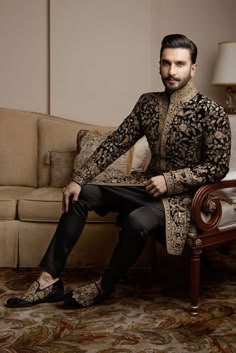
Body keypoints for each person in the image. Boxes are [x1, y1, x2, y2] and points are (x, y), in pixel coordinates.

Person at [6, 34, 231, 309]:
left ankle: (105, 286)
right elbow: (116, 142)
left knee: (137, 220)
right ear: (159, 64)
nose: (172, 72)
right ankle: (48, 280)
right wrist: (78, 178)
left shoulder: (211, 111)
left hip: (184, 199)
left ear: (193, 67)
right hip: (146, 187)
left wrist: (171, 181)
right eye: (166, 63)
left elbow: (217, 166)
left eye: (180, 64)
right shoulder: (148, 103)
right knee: (82, 194)